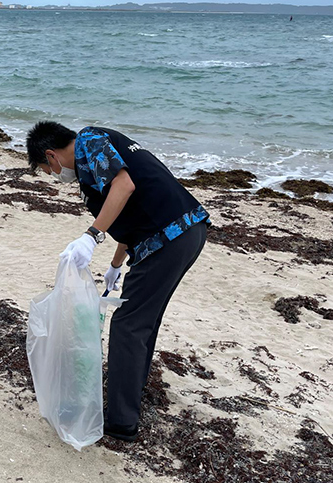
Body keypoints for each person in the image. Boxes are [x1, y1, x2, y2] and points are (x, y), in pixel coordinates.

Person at [26, 122, 210, 442]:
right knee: (142, 320)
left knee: (128, 324)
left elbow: (124, 187)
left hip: (170, 236)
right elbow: (126, 214)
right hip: (183, 231)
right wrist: (115, 265)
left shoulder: (89, 141)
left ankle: (122, 421)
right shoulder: (91, 169)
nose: (53, 176)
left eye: (46, 170)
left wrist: (91, 236)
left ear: (51, 156)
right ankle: (130, 391)